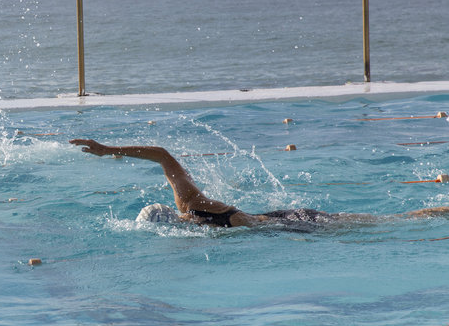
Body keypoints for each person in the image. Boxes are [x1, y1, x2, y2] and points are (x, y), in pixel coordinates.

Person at [70, 139, 449, 228]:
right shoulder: (190, 214)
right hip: (284, 223)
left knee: (385, 223)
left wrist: (108, 150)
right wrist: (107, 151)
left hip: (295, 222)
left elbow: (162, 155)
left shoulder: (192, 206)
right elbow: (163, 157)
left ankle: (439, 211)